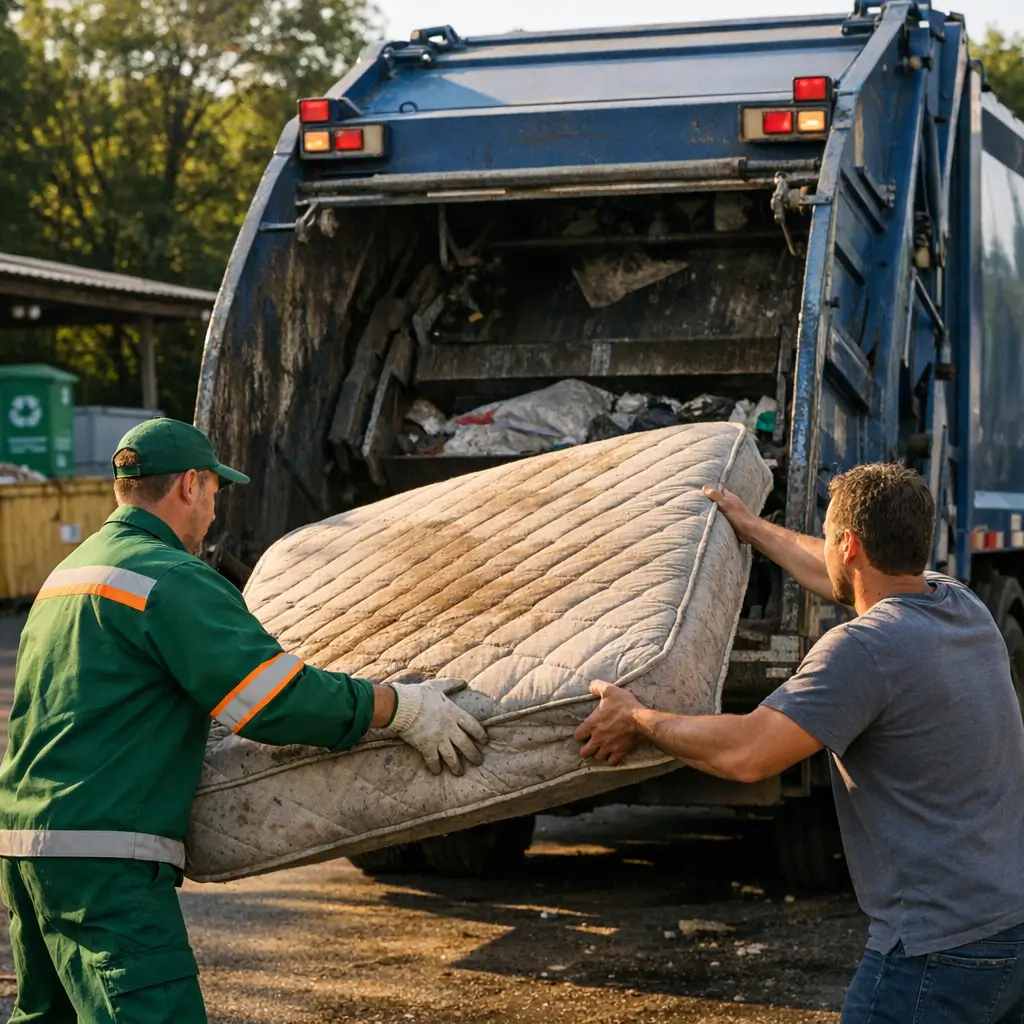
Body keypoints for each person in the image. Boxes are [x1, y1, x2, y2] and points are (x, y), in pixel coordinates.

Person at [0, 417, 488, 1023]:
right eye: (213, 491)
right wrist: (400, 706)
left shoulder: (67, 576)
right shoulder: (170, 577)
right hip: (105, 862)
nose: (212, 511)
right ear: (188, 485)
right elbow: (272, 699)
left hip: (26, 850)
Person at [575, 462, 1024, 1022]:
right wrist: (751, 527)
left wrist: (638, 717)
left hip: (938, 952)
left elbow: (747, 753)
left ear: (852, 545)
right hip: (1010, 927)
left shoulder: (862, 649)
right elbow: (831, 567)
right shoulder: (961, 604)